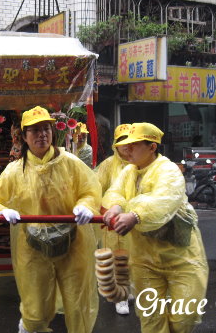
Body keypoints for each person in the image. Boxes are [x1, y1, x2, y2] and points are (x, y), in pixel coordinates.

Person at [0, 106, 102, 333]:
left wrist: (85, 205)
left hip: (73, 245)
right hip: (32, 248)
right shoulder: (14, 171)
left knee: (79, 305)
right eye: (35, 130)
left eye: (46, 129)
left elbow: (90, 190)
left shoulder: (70, 162)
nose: (42, 135)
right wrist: (2, 211)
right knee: (35, 311)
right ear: (24, 136)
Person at [102, 123, 208, 333]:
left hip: (180, 258)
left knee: (184, 316)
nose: (128, 150)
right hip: (144, 259)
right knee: (151, 318)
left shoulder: (168, 170)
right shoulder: (129, 171)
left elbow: (164, 200)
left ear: (152, 147)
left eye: (134, 145)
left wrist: (135, 215)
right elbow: (116, 192)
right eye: (126, 146)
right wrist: (115, 206)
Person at [95, 123, 135, 315]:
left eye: (130, 141)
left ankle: (131, 289)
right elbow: (95, 189)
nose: (126, 146)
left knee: (135, 258)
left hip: (136, 220)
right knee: (117, 258)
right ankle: (120, 297)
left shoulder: (141, 163)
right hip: (114, 223)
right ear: (115, 145)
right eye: (122, 141)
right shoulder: (108, 165)